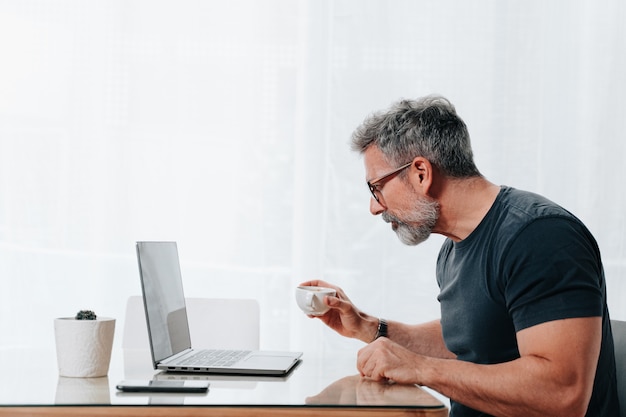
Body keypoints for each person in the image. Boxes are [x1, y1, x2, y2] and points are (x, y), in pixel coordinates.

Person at [301, 95, 619, 417]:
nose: (375, 207)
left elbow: (563, 393)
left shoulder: (540, 236)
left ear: (421, 173)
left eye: (377, 188)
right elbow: (470, 341)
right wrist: (369, 327)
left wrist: (421, 369)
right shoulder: (453, 248)